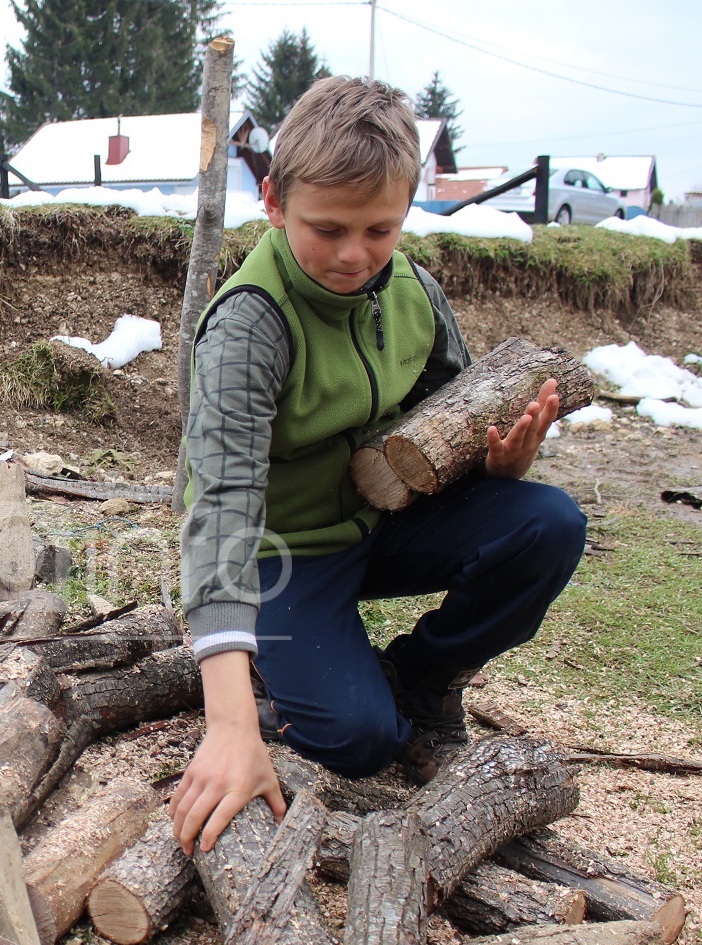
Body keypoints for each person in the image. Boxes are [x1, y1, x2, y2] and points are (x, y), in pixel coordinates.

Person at [169, 77, 586, 855]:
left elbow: (445, 425)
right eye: (326, 228)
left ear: (405, 209)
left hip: (382, 522)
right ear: (273, 200)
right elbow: (219, 509)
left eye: (379, 230)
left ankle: (420, 680)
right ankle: (276, 680)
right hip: (283, 552)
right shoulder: (248, 326)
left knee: (548, 523)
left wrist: (499, 465)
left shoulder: (413, 292)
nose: (353, 255)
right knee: (360, 740)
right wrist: (226, 724)